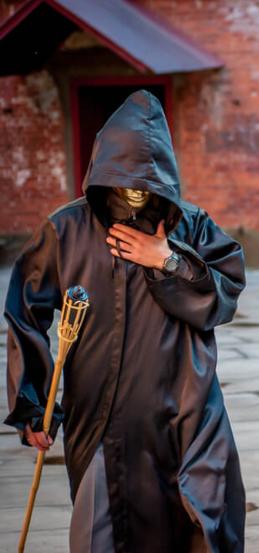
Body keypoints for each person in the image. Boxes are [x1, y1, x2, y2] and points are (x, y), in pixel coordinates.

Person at [4, 90, 246, 552]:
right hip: (100, 414)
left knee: (204, 520)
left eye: (147, 177)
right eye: (124, 176)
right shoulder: (67, 230)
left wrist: (169, 260)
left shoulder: (189, 225)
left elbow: (224, 297)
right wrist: (33, 402)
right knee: (103, 530)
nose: (137, 189)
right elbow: (24, 312)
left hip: (186, 407)